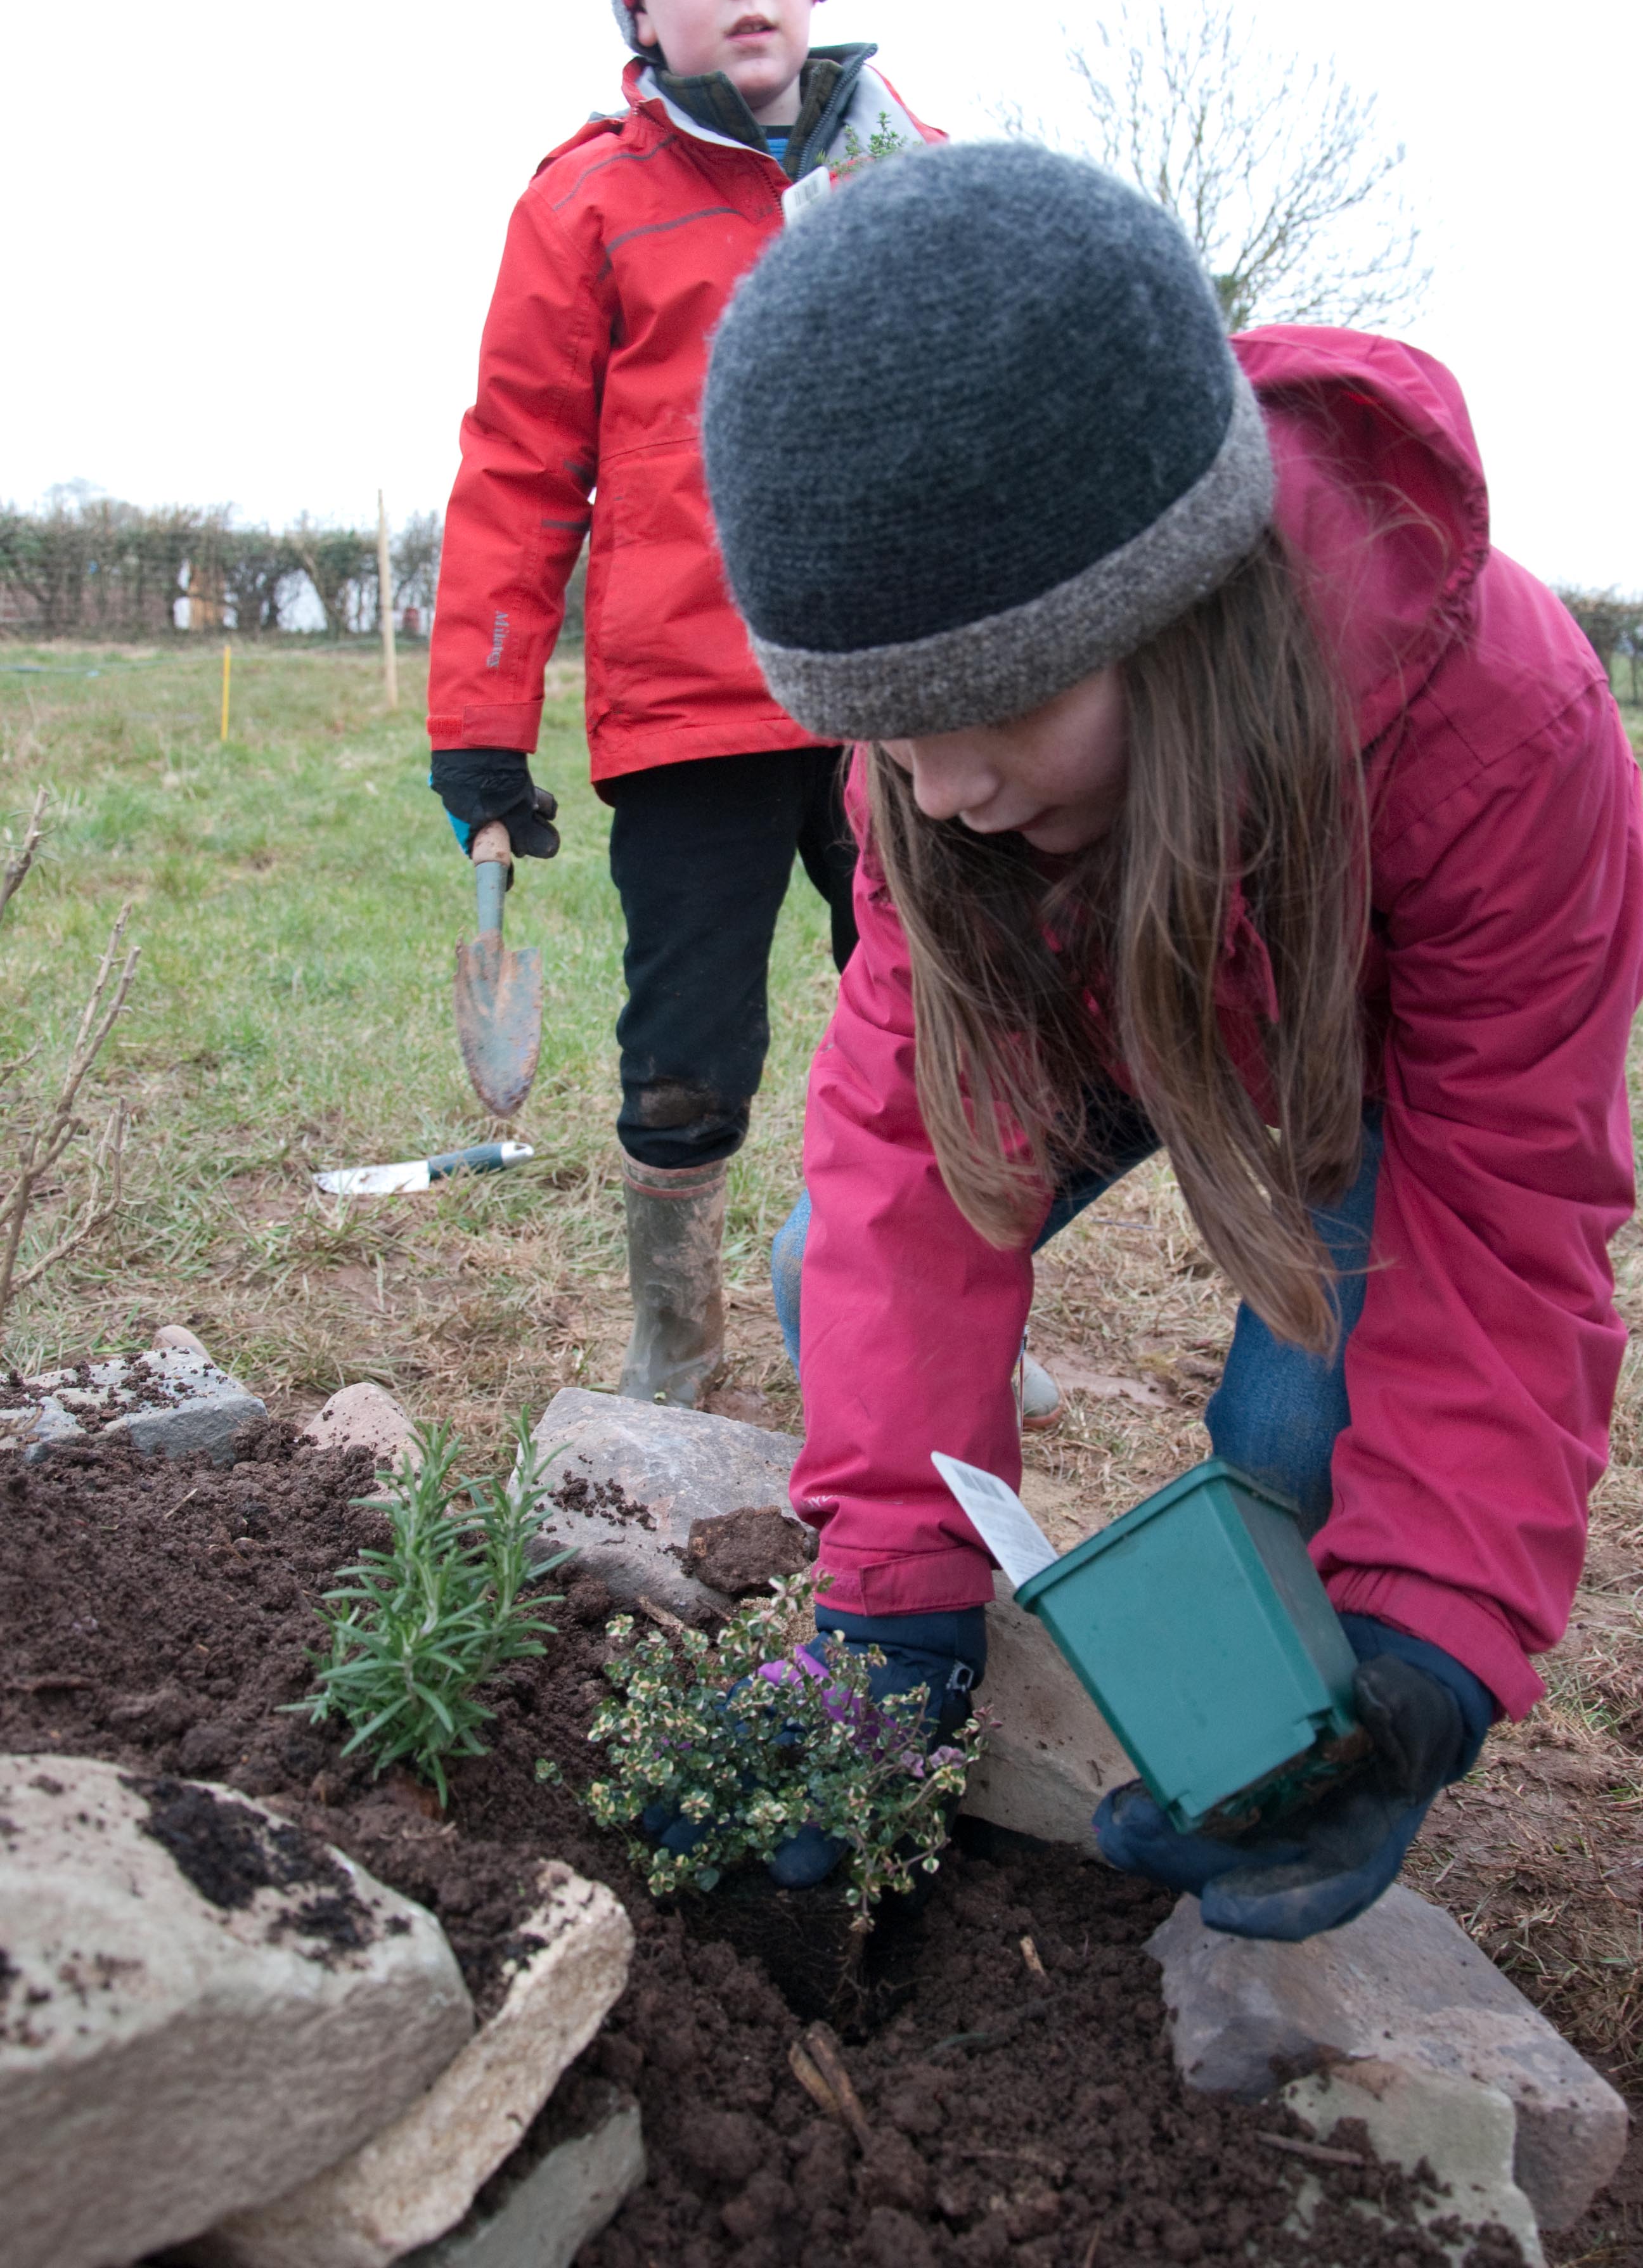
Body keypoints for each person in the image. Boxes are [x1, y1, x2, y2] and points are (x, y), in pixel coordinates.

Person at [693, 138, 1643, 1938]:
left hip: (1363, 1067)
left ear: (1170, 610)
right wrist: (889, 1609)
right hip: (1109, 1005)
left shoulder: (1507, 735)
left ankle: (1272, 1746)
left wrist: (1422, 1651)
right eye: (889, 739)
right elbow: (911, 1151)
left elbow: (1505, 1206)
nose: (944, 794)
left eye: (995, 717)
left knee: (1298, 1443)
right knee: (832, 1257)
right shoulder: (943, 768)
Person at [424, 0, 943, 1407]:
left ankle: (938, 1299)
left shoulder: (908, 168)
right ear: (634, 9)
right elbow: (517, 477)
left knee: (950, 1021)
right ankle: (678, 1333)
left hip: (899, 707)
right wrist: (480, 734)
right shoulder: (590, 204)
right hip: (693, 714)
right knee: (689, 1044)